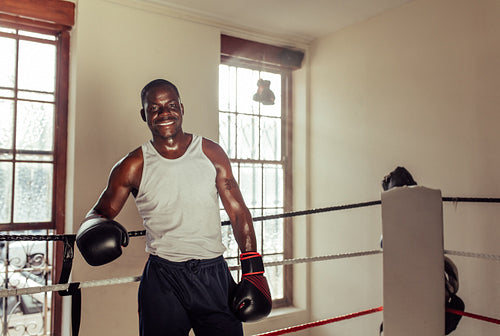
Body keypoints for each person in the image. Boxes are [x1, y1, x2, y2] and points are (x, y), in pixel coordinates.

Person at [76, 79, 272, 335]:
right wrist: (96, 226)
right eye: (154, 108)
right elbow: (99, 212)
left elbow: (237, 212)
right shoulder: (132, 165)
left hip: (213, 274)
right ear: (143, 114)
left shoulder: (211, 153)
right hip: (163, 277)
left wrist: (253, 268)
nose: (164, 113)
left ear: (181, 107)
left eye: (170, 105)